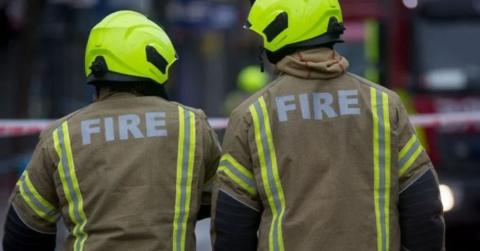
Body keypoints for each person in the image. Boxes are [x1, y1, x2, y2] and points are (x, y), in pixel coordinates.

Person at [211, 0, 445, 251]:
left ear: (279, 32)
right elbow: (423, 208)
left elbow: (232, 223)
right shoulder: (383, 105)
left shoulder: (252, 115)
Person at [2, 10, 220, 251]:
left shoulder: (61, 136)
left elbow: (23, 229)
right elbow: (225, 206)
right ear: (154, 60)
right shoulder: (190, 125)